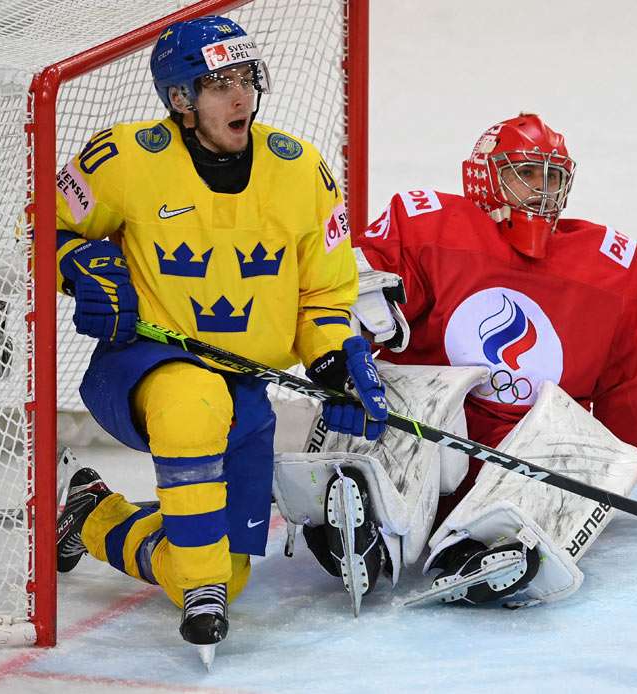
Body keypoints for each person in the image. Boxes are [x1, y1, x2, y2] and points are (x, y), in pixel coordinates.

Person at [279, 113, 637, 610]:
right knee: (400, 391)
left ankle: (490, 551)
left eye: (554, 176)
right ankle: (364, 524)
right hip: (433, 443)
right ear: (485, 175)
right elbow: (347, 290)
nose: (542, 190)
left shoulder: (613, 268)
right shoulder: (425, 223)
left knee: (586, 441)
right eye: (526, 172)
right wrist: (357, 311)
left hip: (522, 463)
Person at [50, 16, 387, 660]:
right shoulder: (123, 160)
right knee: (193, 405)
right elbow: (41, 222)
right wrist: (76, 264)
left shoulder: (302, 172)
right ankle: (198, 585)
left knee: (223, 570)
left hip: (244, 384)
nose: (240, 98)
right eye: (218, 84)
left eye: (244, 79)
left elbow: (324, 294)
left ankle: (91, 513)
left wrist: (336, 361)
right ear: (180, 99)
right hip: (144, 363)